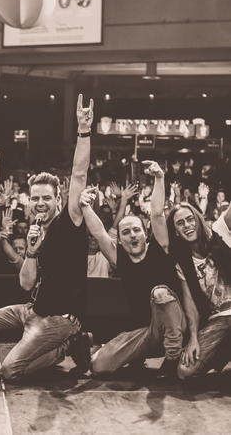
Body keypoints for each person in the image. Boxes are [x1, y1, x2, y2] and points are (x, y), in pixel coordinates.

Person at [0, 94, 93, 381]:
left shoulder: (70, 221)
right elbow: (26, 284)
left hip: (59, 319)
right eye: (36, 198)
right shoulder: (35, 229)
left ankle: (67, 345)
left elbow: (79, 173)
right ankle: (36, 341)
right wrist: (31, 250)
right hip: (31, 310)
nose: (41, 203)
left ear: (59, 198)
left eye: (47, 198)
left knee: (10, 371)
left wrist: (83, 130)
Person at [83, 160, 195, 379]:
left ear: (146, 234)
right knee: (99, 366)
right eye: (126, 232)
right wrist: (85, 206)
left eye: (136, 230)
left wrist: (159, 178)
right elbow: (99, 234)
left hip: (176, 326)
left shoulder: (160, 248)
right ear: (121, 240)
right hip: (147, 332)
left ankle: (172, 359)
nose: (132, 235)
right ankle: (137, 356)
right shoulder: (120, 259)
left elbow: (157, 214)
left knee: (160, 293)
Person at [166, 193, 231, 379]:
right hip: (218, 319)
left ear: (198, 219)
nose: (187, 225)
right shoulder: (182, 263)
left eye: (190, 219)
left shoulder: (218, 235)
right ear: (176, 231)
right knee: (185, 371)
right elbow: (190, 305)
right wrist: (193, 338)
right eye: (180, 223)